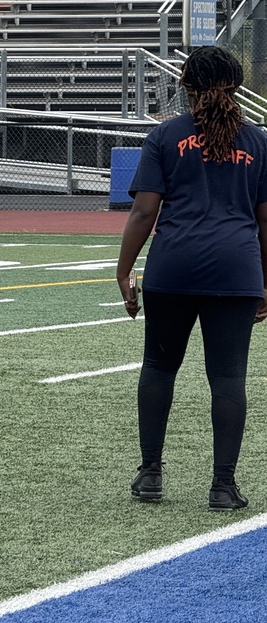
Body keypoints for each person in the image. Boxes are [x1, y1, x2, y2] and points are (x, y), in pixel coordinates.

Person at [116, 45, 267, 511]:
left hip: (173, 266)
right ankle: (223, 485)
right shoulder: (259, 140)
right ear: (236, 86)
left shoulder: (165, 135)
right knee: (227, 377)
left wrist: (123, 272)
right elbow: (266, 221)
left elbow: (144, 212)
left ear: (185, 84)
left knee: (159, 368)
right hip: (236, 269)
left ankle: (150, 473)